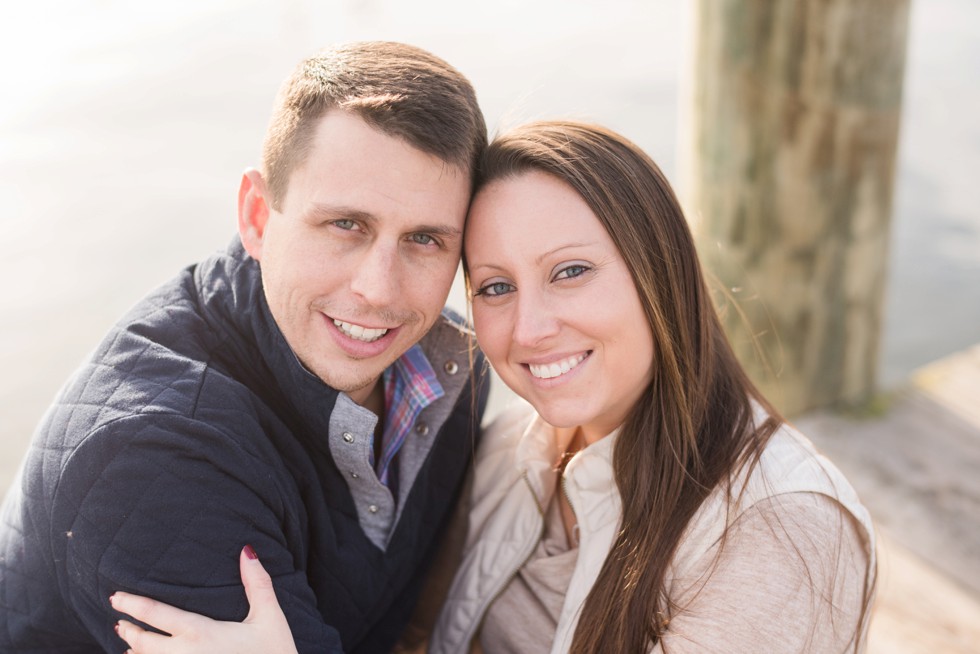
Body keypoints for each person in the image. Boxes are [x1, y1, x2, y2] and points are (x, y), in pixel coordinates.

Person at [112, 120, 877, 653]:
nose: (531, 328)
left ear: (661, 271)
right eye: (496, 287)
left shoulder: (779, 531)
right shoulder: (511, 447)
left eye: (570, 272)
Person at [0, 41, 489, 653]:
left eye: (424, 239)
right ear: (257, 216)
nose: (377, 290)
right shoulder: (155, 466)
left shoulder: (448, 365)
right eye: (345, 225)